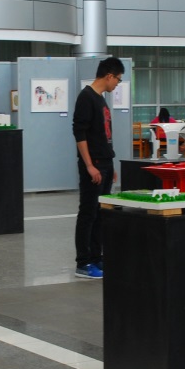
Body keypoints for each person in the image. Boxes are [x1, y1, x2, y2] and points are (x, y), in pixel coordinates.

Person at [73, 56, 123, 280]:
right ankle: (83, 263)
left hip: (105, 163)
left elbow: (104, 135)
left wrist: (110, 163)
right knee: (88, 212)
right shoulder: (86, 97)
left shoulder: (101, 99)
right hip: (93, 166)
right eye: (118, 80)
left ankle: (96, 256)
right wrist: (90, 165)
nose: (117, 84)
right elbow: (79, 133)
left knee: (101, 213)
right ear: (109, 76)